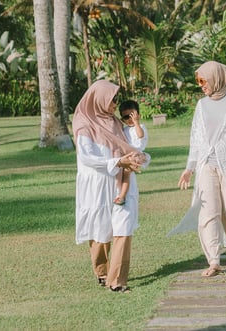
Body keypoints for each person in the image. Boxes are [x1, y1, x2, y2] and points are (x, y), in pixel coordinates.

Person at [170, 61, 226, 277]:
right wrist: (190, 168)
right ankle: (214, 260)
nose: (200, 85)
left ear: (216, 78)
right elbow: (196, 139)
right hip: (206, 164)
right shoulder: (201, 105)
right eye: (198, 81)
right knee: (208, 212)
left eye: (202, 80)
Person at [73, 80, 150, 293]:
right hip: (97, 185)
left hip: (121, 182)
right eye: (112, 99)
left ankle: (117, 281)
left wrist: (139, 158)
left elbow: (131, 147)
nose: (116, 103)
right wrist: (117, 162)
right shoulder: (84, 123)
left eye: (116, 98)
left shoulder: (116, 123)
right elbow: (87, 158)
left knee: (123, 229)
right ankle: (102, 271)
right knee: (100, 230)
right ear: (99, 99)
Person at [114, 100, 149, 206]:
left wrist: (136, 122)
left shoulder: (140, 127)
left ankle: (122, 196)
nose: (129, 119)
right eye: (126, 117)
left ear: (138, 115)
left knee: (126, 173)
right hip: (128, 154)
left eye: (132, 116)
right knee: (125, 173)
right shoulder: (124, 129)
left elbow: (140, 135)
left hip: (137, 154)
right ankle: (122, 195)